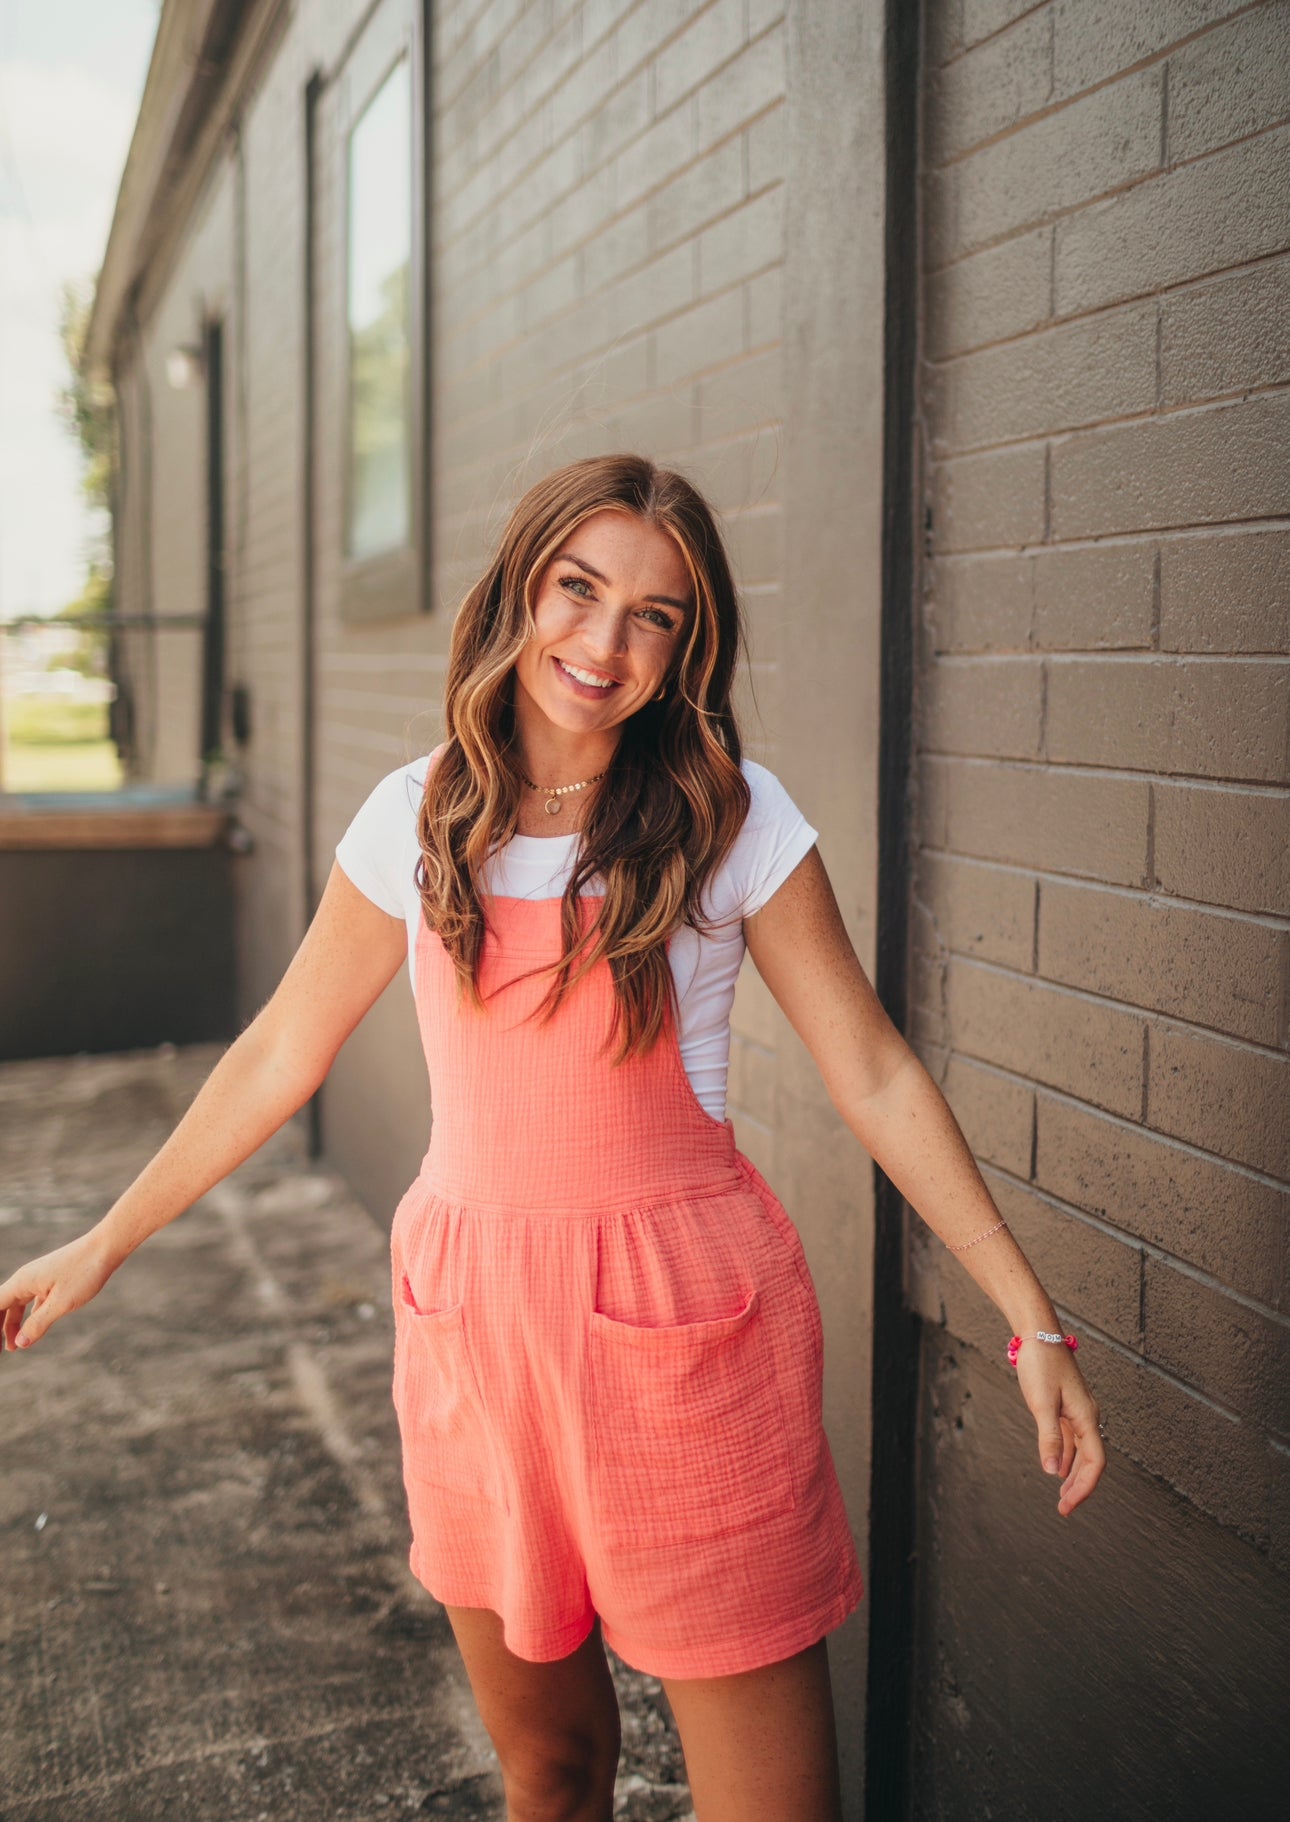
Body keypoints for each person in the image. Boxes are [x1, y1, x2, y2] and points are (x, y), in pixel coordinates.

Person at [0, 453, 1104, 1821]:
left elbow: (871, 1070)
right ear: (519, 590)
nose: (602, 642)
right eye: (577, 590)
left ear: (686, 648)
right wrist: (107, 1239)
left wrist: (1027, 1317)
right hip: (475, 1335)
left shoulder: (731, 818)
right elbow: (282, 1048)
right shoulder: (411, 818)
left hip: (686, 1337)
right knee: (553, 1772)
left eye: (654, 614)